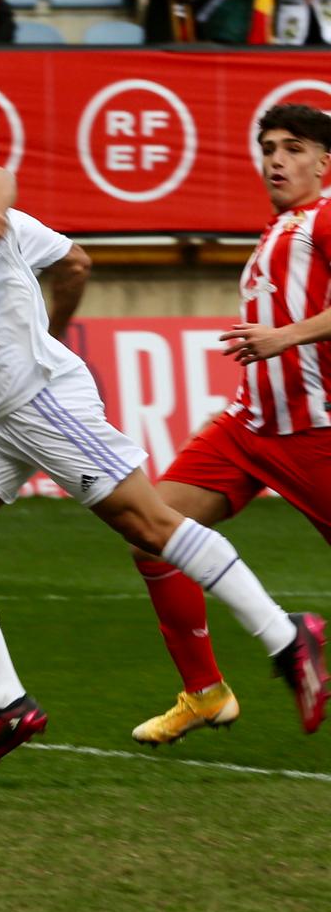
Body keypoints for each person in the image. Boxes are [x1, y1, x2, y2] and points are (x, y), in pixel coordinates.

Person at [0, 93, 324, 780]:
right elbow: (76, 262)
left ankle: (285, 635)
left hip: (37, 400)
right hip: (1, 413)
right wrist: (52, 331)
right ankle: (6, 705)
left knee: (152, 525)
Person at [129, 104, 331, 744]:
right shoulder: (278, 229)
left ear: (325, 164)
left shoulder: (325, 219)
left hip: (315, 433)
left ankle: (302, 645)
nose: (276, 159)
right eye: (268, 146)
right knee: (148, 529)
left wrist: (285, 337)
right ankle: (204, 691)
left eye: (294, 148)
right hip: (248, 429)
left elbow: (286, 334)